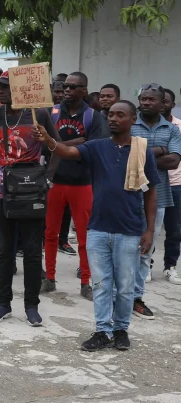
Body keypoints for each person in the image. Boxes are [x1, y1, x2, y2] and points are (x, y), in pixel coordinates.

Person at [37, 101, 157, 351]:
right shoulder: (98, 146)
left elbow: (150, 192)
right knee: (101, 284)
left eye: (120, 115)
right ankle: (103, 330)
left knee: (125, 287)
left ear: (133, 119)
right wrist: (48, 138)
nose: (113, 118)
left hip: (130, 230)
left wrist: (149, 230)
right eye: (110, 114)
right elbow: (67, 152)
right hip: (99, 228)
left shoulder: (142, 150)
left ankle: (121, 329)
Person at [0, 70, 59, 327]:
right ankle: (3, 303)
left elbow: (57, 147)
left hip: (31, 187)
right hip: (1, 189)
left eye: (7, 86)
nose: (2, 91)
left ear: (22, 89)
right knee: (4, 249)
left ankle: (31, 305)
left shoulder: (39, 114)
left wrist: (48, 177)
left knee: (33, 250)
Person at [41, 72, 108, 301]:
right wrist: (73, 144)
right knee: (50, 234)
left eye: (73, 87)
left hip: (82, 184)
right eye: (65, 86)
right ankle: (49, 278)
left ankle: (85, 282)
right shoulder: (53, 112)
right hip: (55, 181)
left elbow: (95, 148)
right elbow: (43, 146)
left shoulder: (93, 117)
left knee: (84, 237)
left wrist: (57, 145)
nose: (67, 90)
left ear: (84, 91)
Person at [130, 83, 181, 318]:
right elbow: (123, 157)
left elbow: (174, 162)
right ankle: (119, 296)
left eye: (152, 100)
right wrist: (159, 150)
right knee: (124, 248)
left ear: (163, 103)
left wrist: (142, 157)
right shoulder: (129, 123)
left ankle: (136, 298)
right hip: (127, 195)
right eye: (144, 99)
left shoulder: (172, 130)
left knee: (145, 250)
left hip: (158, 197)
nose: (147, 103)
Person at [162, 88, 181, 284]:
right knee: (147, 227)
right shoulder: (142, 128)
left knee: (175, 229)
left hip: (176, 185)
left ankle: (170, 266)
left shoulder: (179, 127)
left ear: (171, 105)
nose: (162, 104)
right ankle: (146, 265)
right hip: (152, 184)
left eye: (166, 101)